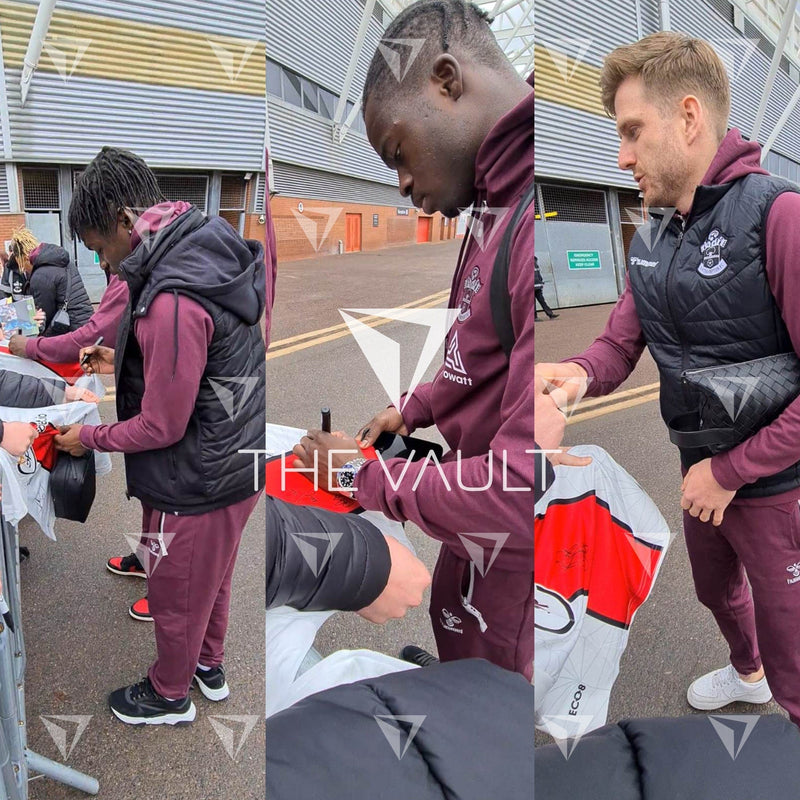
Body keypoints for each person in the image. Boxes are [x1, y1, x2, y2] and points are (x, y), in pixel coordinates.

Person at [536, 32, 800, 726]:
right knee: (716, 591)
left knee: (794, 646)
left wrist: (733, 471)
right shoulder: (651, 233)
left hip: (775, 485)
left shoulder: (780, 216)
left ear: (688, 118)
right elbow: (618, 343)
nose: (620, 156)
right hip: (699, 470)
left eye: (631, 131)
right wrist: (573, 377)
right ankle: (749, 674)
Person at [291, 0, 534, 681]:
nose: (401, 185)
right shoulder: (492, 203)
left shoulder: (527, 222)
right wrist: (419, 406)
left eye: (398, 153)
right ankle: (458, 672)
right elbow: (480, 346)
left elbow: (516, 491)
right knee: (458, 643)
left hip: (505, 560)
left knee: (490, 699)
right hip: (463, 524)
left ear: (447, 80)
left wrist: (357, 475)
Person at [54, 146, 268, 726]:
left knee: (175, 591)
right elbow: (196, 360)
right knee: (213, 577)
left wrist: (86, 441)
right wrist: (116, 357)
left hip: (196, 474)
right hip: (236, 459)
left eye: (101, 248)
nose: (103, 266)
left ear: (127, 221)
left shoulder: (169, 298)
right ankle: (209, 665)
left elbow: (163, 424)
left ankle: (169, 694)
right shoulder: (201, 243)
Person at [9, 228, 92, 336]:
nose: (23, 270)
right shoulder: (61, 260)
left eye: (22, 265)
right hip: (87, 323)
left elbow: (43, 321)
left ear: (25, 258)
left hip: (72, 332)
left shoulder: (40, 276)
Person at [534, 256, 558, 320]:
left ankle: (550, 314)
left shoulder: (536, 266)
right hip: (532, 287)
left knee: (542, 301)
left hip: (537, 287)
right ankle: (534, 317)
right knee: (533, 303)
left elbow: (539, 275)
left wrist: (541, 282)